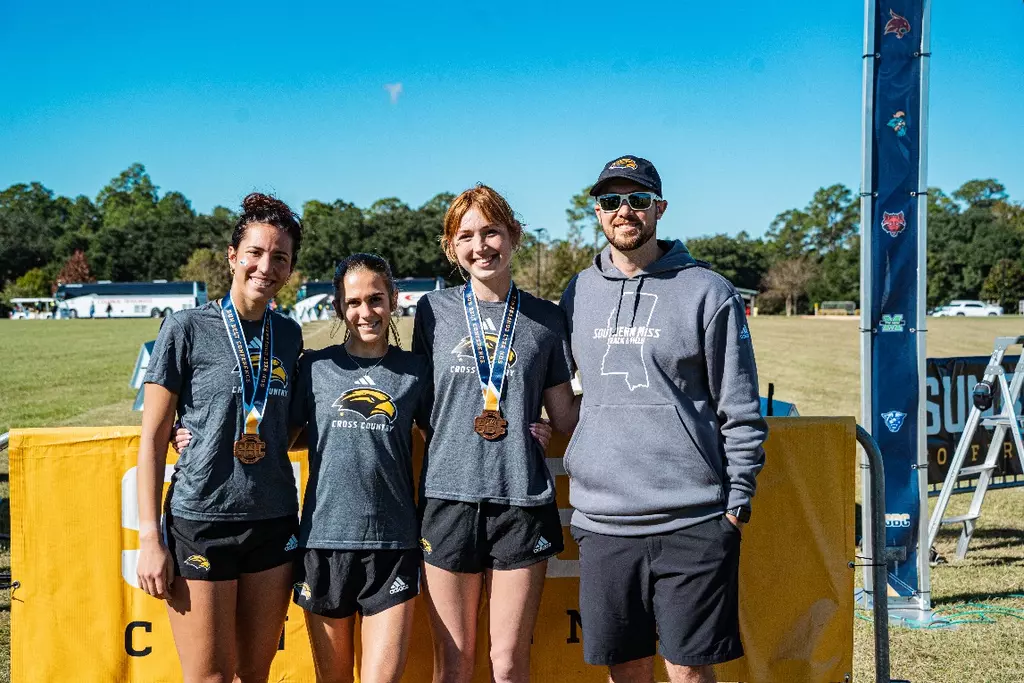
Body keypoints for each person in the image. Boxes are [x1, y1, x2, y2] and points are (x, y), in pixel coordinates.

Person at [558, 155, 769, 683]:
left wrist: (737, 503)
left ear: (660, 208)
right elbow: (561, 390)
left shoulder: (707, 290)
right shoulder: (578, 292)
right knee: (625, 671)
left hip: (693, 519)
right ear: (598, 212)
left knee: (689, 674)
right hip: (605, 521)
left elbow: (740, 408)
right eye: (611, 201)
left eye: (637, 199)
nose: (623, 210)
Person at [412, 184, 578, 683]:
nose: (480, 245)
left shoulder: (545, 319)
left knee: (506, 663)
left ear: (515, 236)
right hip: (447, 498)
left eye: (492, 232)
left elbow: (565, 414)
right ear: (451, 248)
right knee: (455, 664)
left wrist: (644, 392)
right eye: (466, 236)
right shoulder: (432, 311)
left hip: (521, 502)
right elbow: (416, 403)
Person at [136, 192, 305, 683]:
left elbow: (285, 427)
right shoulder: (185, 328)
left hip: (273, 518)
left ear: (290, 269)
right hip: (201, 518)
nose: (265, 266)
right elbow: (151, 438)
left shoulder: (290, 335)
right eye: (255, 252)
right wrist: (151, 536)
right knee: (208, 677)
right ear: (233, 256)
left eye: (280, 258)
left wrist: (230, 433)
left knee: (255, 673)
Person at [290, 253, 431, 683]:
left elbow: (452, 433)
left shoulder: (414, 371)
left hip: (392, 545)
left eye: (376, 299)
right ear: (338, 307)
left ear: (393, 301)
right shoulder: (314, 368)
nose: (365, 312)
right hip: (323, 543)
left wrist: (529, 424)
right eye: (353, 302)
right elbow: (278, 437)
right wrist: (184, 431)